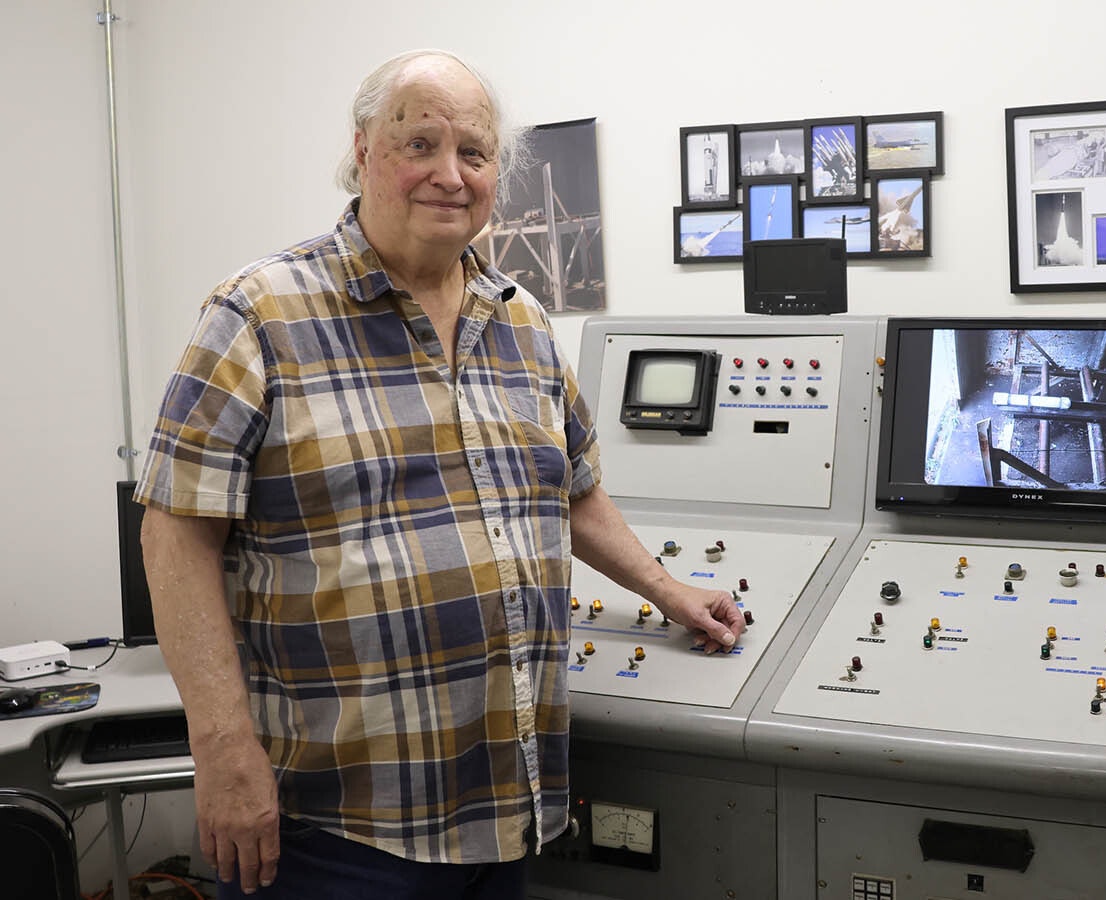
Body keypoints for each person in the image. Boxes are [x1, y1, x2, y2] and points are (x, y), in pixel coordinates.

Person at [135, 49, 744, 899]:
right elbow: (173, 534)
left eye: (474, 152)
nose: (448, 175)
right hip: (337, 829)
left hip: (506, 806)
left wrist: (669, 590)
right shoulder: (259, 314)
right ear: (363, 151)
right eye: (419, 142)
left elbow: (571, 491)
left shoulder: (521, 319)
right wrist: (223, 748)